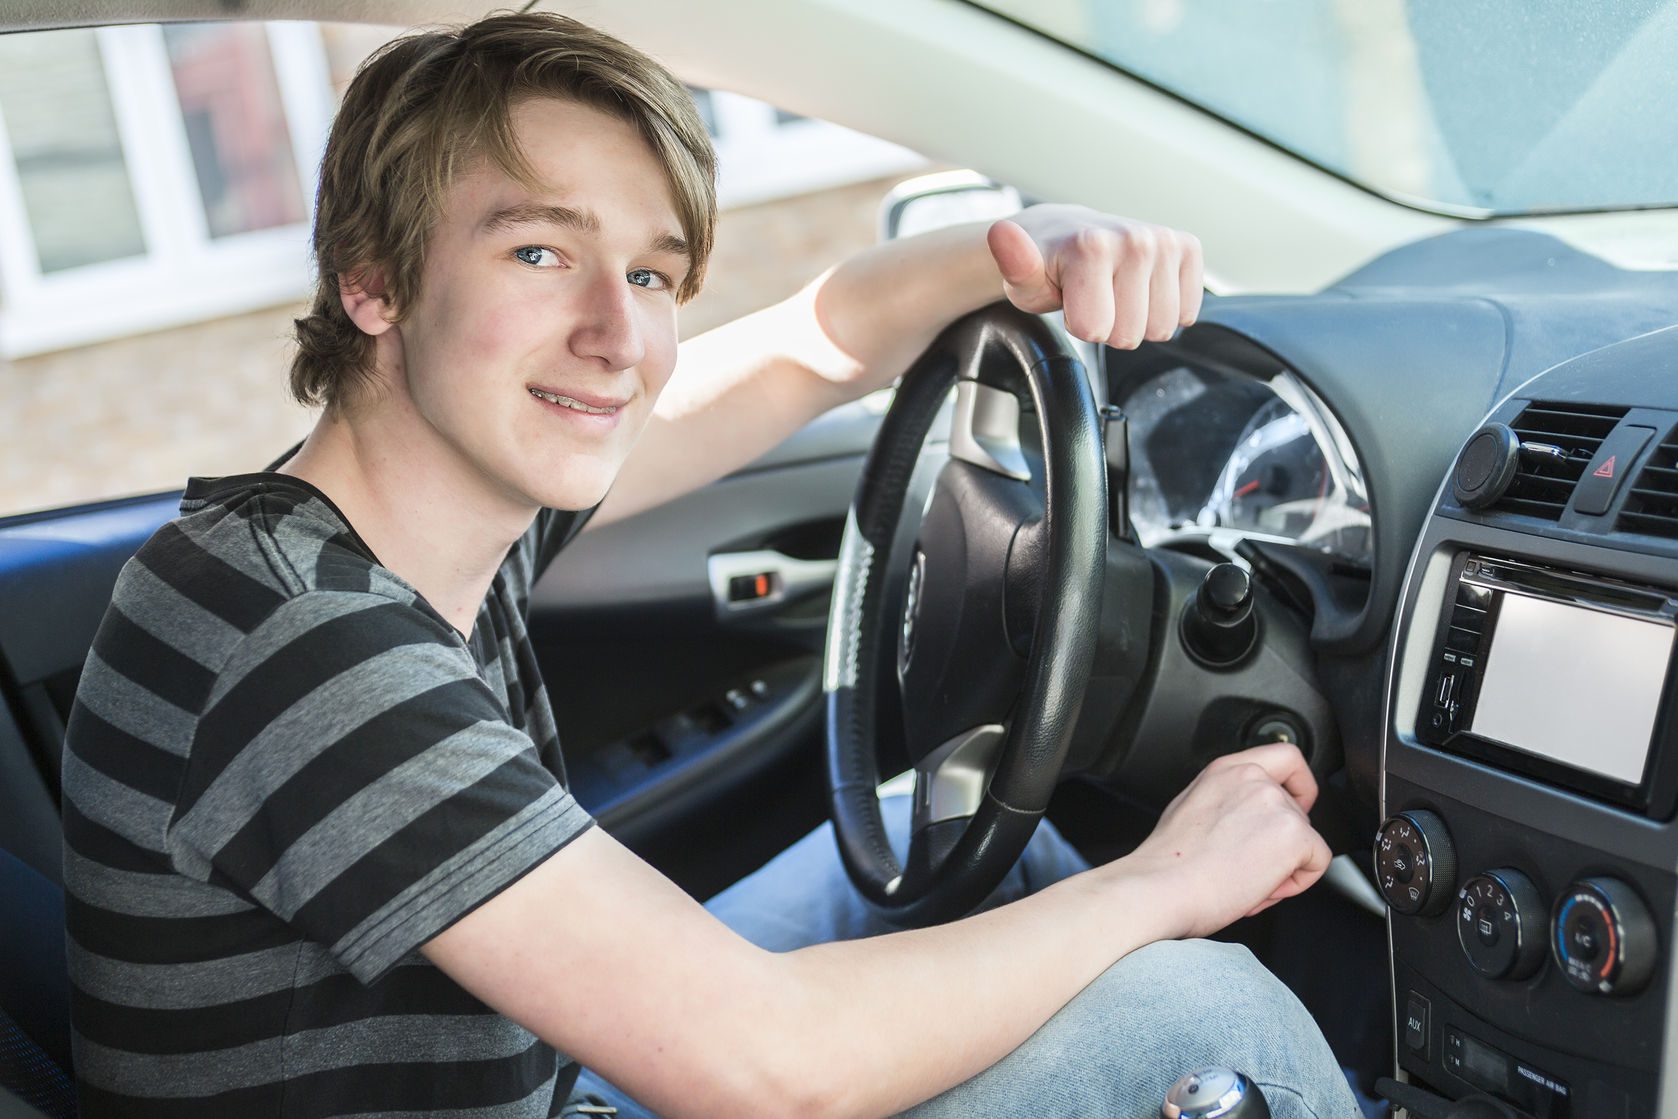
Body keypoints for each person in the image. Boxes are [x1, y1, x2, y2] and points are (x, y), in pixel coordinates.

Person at [59, 12, 1360, 1119]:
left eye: (651, 272)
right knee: (1206, 1017)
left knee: (956, 839)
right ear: (374, 283)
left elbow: (821, 335)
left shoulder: (405, 511)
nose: (617, 335)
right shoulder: (303, 638)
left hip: (546, 1083)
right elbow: (766, 1066)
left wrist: (1042, 246)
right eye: (539, 252)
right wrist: (1171, 881)